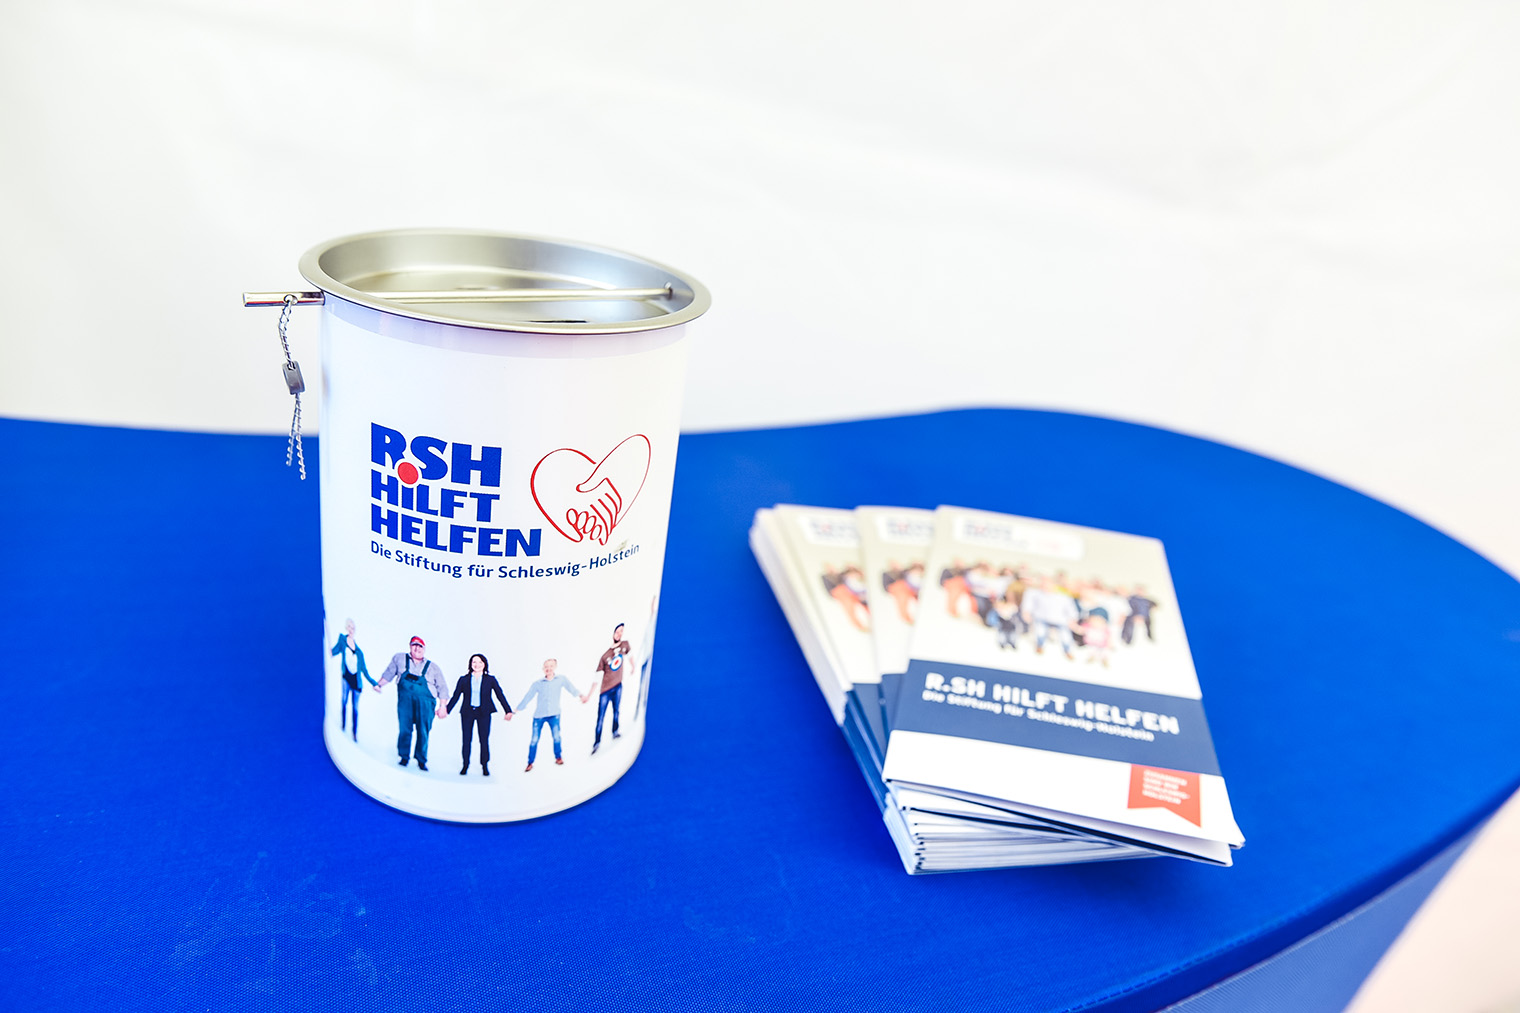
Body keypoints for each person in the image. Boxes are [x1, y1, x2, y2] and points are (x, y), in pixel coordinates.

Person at [373, 636, 449, 771]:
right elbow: (389, 674)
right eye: (414, 645)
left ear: (424, 649)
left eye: (420, 646)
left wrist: (443, 706)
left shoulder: (433, 667)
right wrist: (379, 684)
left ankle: (421, 760)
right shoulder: (399, 659)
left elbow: (442, 688)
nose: (417, 648)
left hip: (426, 703)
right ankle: (404, 757)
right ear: (410, 646)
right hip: (405, 701)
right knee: (404, 728)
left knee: (423, 732)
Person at [514, 658, 588, 771]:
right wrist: (516, 710)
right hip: (539, 716)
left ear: (555, 667)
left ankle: (558, 757)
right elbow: (528, 697)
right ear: (543, 669)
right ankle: (530, 762)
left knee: (556, 737)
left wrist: (581, 696)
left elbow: (571, 688)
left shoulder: (561, 679)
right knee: (534, 740)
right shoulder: (537, 684)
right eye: (546, 667)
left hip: (554, 714)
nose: (548, 668)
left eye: (551, 666)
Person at [446, 653, 511, 776]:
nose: (477, 665)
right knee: (466, 740)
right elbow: (456, 696)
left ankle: (484, 765)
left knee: (484, 740)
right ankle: (465, 765)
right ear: (470, 664)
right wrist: (447, 710)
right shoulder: (463, 679)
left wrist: (507, 710)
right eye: (474, 662)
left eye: (480, 662)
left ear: (484, 664)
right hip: (467, 712)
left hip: (484, 713)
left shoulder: (490, 680)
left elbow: (500, 695)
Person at [587, 623, 630, 755]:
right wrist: (589, 695)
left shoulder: (624, 645)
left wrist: (634, 666)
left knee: (616, 710)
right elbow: (597, 677)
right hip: (605, 691)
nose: (619, 634)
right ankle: (597, 742)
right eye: (617, 631)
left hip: (618, 686)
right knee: (601, 717)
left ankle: (615, 731)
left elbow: (631, 655)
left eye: (622, 631)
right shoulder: (605, 655)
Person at [330, 618, 376, 742]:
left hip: (356, 683)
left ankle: (354, 733)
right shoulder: (342, 641)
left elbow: (364, 671)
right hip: (346, 678)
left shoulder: (359, 652)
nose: (351, 629)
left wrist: (374, 683)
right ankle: (343, 726)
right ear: (346, 628)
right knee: (344, 701)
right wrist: (330, 650)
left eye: (353, 627)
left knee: (355, 708)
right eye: (349, 627)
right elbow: (334, 651)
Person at [1022, 576, 1079, 659]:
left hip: (1059, 620)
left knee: (1065, 636)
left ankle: (1067, 651)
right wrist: (1026, 613)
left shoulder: (1063, 596)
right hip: (1041, 618)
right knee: (1040, 632)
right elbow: (1028, 605)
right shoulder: (1035, 594)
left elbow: (1071, 610)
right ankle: (1039, 646)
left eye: (1047, 584)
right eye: (1043, 584)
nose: (1045, 586)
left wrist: (1073, 620)